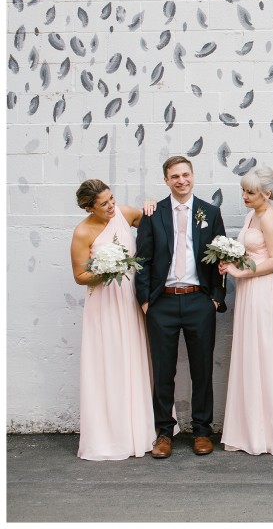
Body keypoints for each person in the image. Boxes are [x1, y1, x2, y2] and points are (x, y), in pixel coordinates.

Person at [135, 156, 227, 459]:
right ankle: (164, 432)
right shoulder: (153, 212)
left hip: (198, 300)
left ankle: (202, 431)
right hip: (162, 302)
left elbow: (221, 256)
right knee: (163, 371)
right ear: (166, 180)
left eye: (185, 175)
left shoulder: (210, 212)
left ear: (193, 176)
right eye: (174, 176)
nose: (181, 180)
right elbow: (143, 260)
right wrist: (146, 300)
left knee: (202, 369)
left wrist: (215, 298)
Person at [71, 180, 155, 460]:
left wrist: (151, 206)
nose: (111, 206)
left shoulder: (126, 213)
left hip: (129, 299)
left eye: (112, 199)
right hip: (103, 305)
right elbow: (80, 276)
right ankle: (110, 434)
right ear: (88, 207)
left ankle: (139, 431)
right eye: (104, 203)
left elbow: (153, 224)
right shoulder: (82, 232)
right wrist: (109, 270)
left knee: (132, 359)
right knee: (108, 364)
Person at [219, 165, 273, 455]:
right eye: (244, 191)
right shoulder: (253, 215)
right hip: (250, 292)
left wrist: (240, 273)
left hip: (264, 292)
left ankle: (265, 431)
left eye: (250, 192)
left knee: (263, 354)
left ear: (267, 194)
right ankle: (248, 427)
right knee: (249, 355)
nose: (245, 196)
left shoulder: (271, 218)